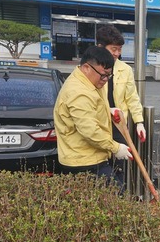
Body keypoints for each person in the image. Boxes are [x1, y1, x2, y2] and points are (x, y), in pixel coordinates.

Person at [54, 46, 133, 192]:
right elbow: (89, 131)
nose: (105, 80)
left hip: (91, 157)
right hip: (84, 161)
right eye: (103, 75)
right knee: (115, 198)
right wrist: (116, 148)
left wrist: (107, 110)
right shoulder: (78, 92)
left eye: (109, 75)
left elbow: (90, 109)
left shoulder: (90, 81)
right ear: (86, 68)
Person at [96, 24, 146, 185]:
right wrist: (106, 109)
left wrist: (139, 122)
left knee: (119, 166)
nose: (117, 53)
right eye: (114, 49)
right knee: (100, 166)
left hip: (119, 125)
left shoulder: (125, 69)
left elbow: (132, 97)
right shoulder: (91, 68)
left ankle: (119, 201)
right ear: (101, 47)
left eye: (119, 49)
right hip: (98, 124)